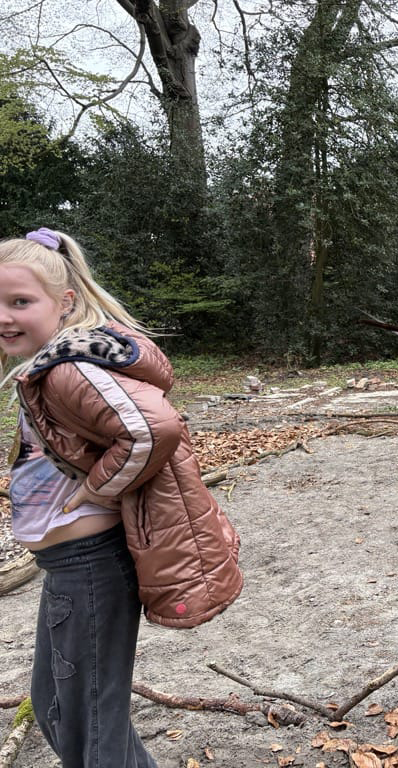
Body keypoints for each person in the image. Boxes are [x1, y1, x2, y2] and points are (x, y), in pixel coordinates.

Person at [1, 228, 243, 767]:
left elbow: (154, 429)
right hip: (68, 563)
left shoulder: (67, 368)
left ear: (64, 303)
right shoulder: (48, 364)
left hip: (90, 563)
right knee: (62, 709)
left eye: (20, 301)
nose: (4, 316)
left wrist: (94, 487)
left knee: (88, 719)